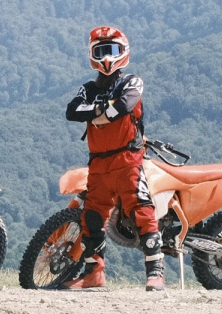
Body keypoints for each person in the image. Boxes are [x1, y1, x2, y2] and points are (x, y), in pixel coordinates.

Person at [64, 26, 165, 291]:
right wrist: (102, 110)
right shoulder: (88, 88)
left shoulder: (132, 81)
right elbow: (72, 111)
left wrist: (96, 114)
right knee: (92, 216)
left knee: (141, 209)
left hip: (127, 159)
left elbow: (124, 105)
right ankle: (94, 275)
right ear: (92, 54)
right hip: (98, 162)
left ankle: (156, 272)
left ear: (124, 52)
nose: (107, 57)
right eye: (101, 51)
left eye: (112, 50)